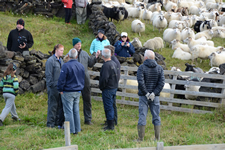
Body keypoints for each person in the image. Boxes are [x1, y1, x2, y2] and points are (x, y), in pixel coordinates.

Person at [136, 50, 165, 141]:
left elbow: (141, 82)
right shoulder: (159, 68)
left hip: (144, 96)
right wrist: (154, 93)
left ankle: (141, 138)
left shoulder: (141, 68)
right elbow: (161, 82)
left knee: (142, 115)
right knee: (156, 116)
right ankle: (157, 138)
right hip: (155, 97)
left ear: (146, 58)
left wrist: (146, 93)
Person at [72, 37, 101, 125]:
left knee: (87, 99)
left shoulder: (84, 53)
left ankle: (88, 119)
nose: (79, 45)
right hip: (74, 80)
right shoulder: (71, 54)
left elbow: (90, 64)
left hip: (85, 79)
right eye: (77, 44)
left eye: (80, 43)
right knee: (73, 100)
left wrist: (96, 57)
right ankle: (73, 118)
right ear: (74, 45)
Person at [57, 48, 85, 134]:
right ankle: (78, 128)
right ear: (76, 56)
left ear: (68, 56)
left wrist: (60, 89)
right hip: (78, 90)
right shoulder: (81, 66)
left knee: (68, 111)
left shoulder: (65, 66)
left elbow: (62, 79)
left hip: (68, 91)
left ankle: (71, 130)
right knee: (76, 110)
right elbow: (83, 79)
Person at [45, 44, 65, 128]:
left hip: (60, 87)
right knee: (52, 105)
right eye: (61, 50)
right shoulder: (50, 60)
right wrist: (51, 85)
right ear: (56, 50)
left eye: (63, 50)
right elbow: (48, 74)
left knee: (59, 106)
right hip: (53, 87)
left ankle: (57, 122)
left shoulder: (61, 60)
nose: (62, 52)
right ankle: (50, 123)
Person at [99, 48, 118, 131]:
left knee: (108, 106)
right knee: (113, 105)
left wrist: (101, 87)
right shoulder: (114, 63)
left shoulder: (106, 65)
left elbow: (104, 78)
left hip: (108, 89)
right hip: (114, 87)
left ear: (103, 56)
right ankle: (113, 121)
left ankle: (110, 125)